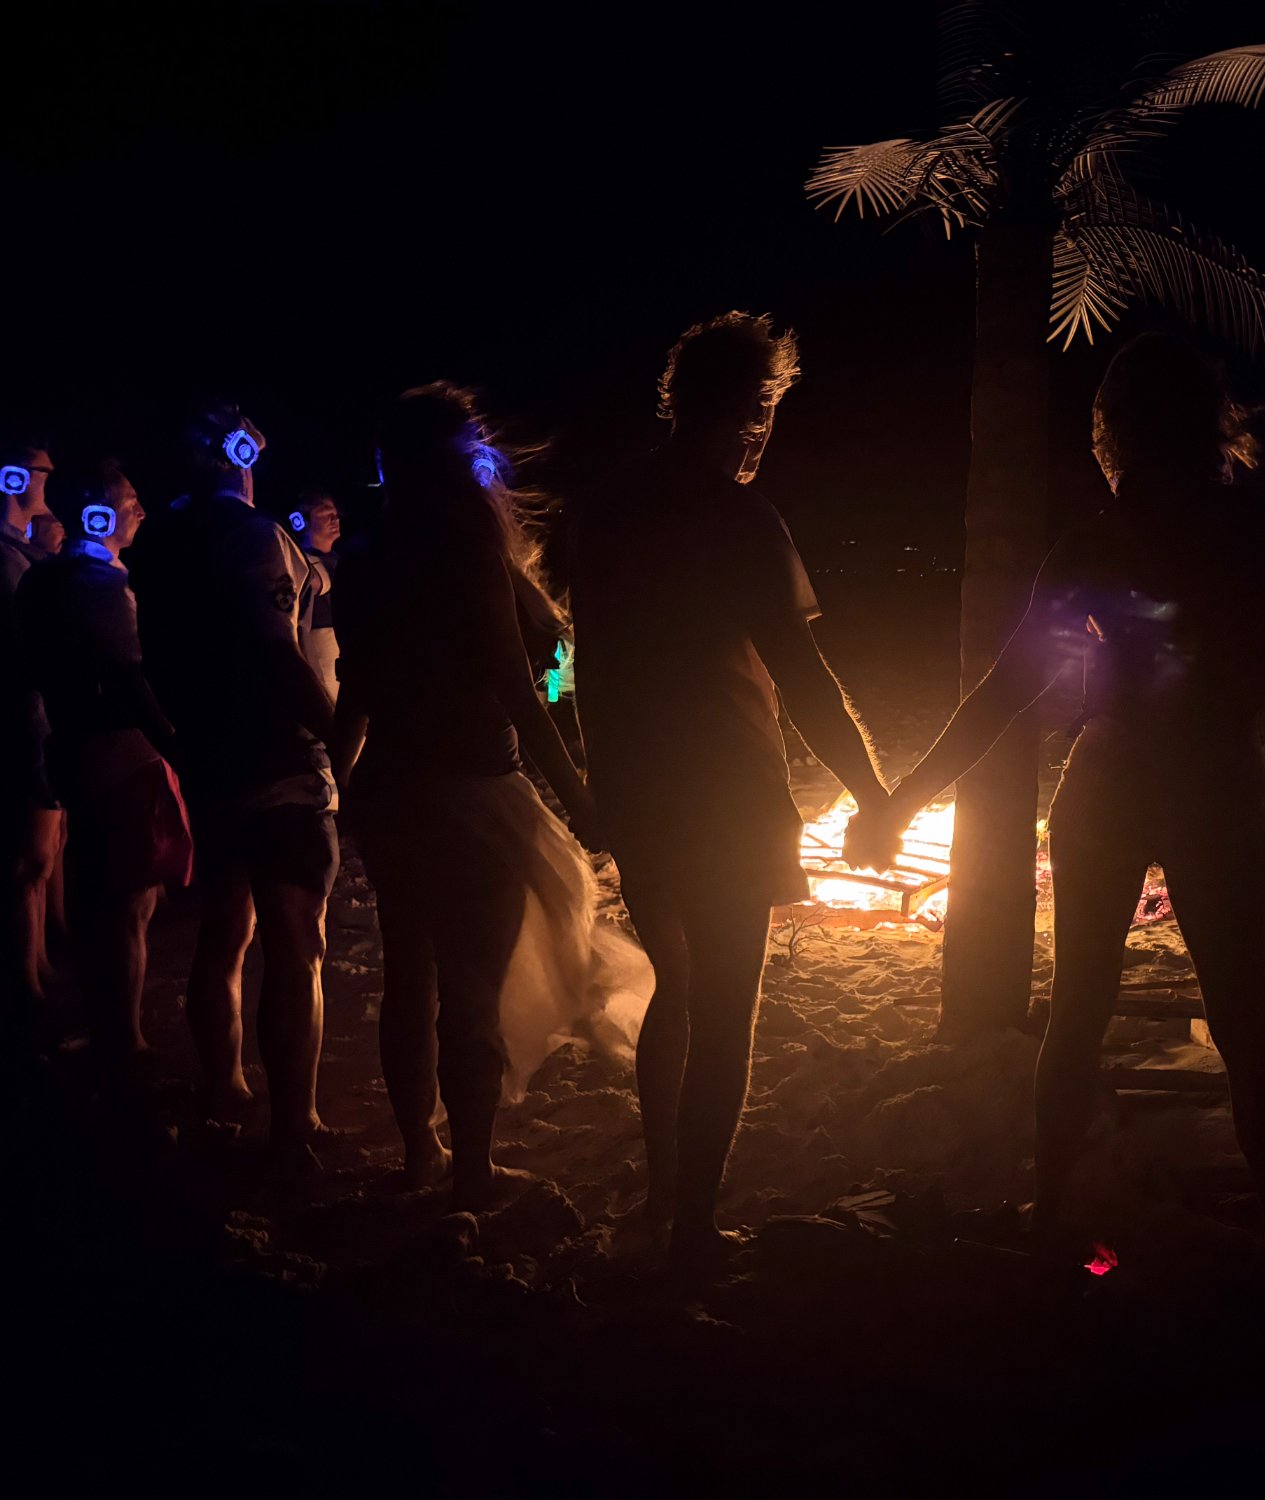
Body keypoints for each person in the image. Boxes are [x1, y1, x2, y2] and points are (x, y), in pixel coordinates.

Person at [845, 335, 1265, 1258]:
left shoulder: (1099, 540)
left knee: (1077, 1014)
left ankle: (1053, 1218)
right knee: (1245, 1022)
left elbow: (1002, 696)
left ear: (1115, 433)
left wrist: (902, 800)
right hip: (1215, 783)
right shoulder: (1250, 536)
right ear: (1206, 427)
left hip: (1108, 781)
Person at [568, 312, 887, 1273]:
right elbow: (802, 671)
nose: (767, 429)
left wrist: (602, 783)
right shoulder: (737, 515)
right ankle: (696, 1225)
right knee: (727, 1011)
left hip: (637, 785)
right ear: (752, 408)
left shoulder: (609, 505)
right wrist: (872, 792)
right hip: (728, 787)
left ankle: (667, 1192)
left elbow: (589, 664)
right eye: (768, 409)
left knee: (679, 987)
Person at [334, 383, 650, 1208]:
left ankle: (419, 1156)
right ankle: (470, 1171)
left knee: (410, 973)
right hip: (471, 787)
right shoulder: (464, 541)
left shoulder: (366, 550)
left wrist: (340, 773)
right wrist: (578, 794)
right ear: (457, 456)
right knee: (471, 983)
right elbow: (522, 680)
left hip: (391, 786)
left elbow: (358, 684)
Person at [123, 403, 338, 1168]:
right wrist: (339, 739)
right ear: (241, 451)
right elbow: (277, 652)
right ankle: (296, 1124)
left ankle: (225, 1087)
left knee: (223, 931)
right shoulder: (252, 535)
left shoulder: (157, 541)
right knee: (294, 945)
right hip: (278, 759)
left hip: (207, 761)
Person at [16, 461, 190, 1076]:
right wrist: (174, 744)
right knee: (131, 902)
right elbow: (129, 676)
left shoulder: (42, 580)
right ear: (96, 513)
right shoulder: (98, 584)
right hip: (119, 754)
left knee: (96, 894)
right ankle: (127, 1039)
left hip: (70, 748)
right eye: (130, 501)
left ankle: (104, 1024)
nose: (141, 510)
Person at [2, 440, 64, 1059]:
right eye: (42, 470)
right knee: (29, 855)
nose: (49, 481)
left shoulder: (22, 553)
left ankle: (40, 961)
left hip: (41, 714)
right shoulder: (8, 557)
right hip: (23, 716)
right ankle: (24, 980)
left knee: (44, 850)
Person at [289, 490, 342, 703]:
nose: (334, 518)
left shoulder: (338, 558)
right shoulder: (299, 562)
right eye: (324, 513)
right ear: (301, 520)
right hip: (323, 645)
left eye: (335, 513)